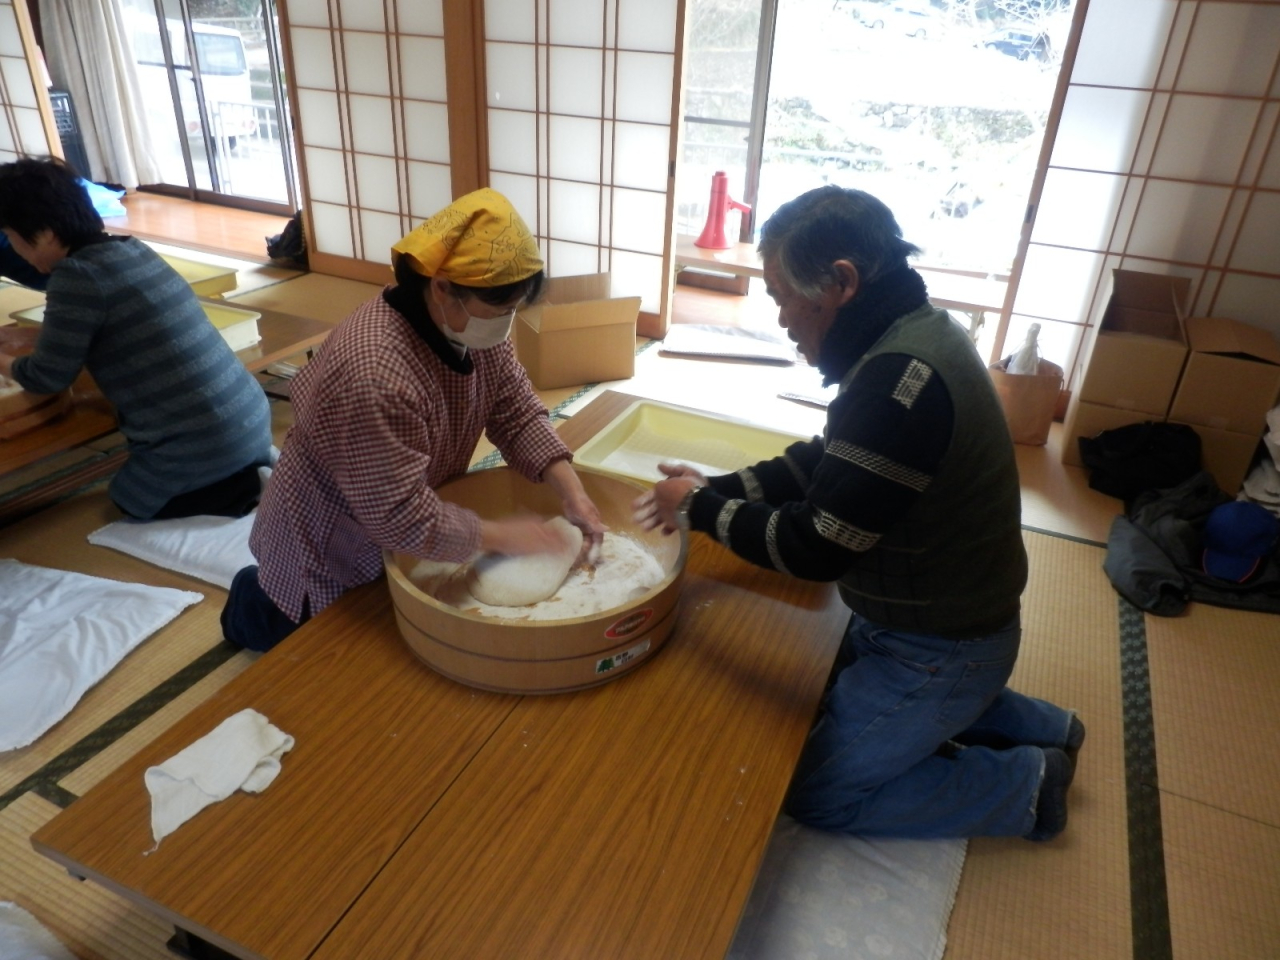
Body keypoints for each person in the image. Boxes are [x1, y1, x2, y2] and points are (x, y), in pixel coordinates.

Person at [633, 185, 1084, 841]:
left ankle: (1025, 786)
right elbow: (830, 461)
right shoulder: (917, 331)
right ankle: (1042, 725)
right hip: (932, 621)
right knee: (827, 685)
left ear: (842, 281)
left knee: (816, 792)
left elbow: (817, 549)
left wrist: (701, 509)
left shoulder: (897, 386)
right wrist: (722, 488)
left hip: (940, 645)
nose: (783, 317)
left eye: (785, 296)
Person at [223, 188, 606, 651]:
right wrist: (507, 536)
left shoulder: (469, 324)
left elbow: (515, 409)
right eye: (500, 311)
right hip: (326, 538)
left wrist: (572, 491)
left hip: (400, 506)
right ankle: (245, 602)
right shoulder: (375, 371)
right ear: (442, 286)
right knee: (288, 629)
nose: (506, 324)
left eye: (512, 310)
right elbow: (399, 517)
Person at [0, 157, 272, 521]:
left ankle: (241, 490)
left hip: (209, 441)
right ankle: (243, 472)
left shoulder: (76, 277)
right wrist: (23, 338)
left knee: (130, 498)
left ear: (46, 233)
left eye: (13, 238)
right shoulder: (129, 248)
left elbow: (45, 377)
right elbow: (109, 327)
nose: (13, 250)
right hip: (249, 417)